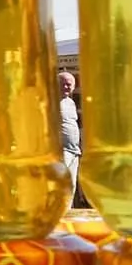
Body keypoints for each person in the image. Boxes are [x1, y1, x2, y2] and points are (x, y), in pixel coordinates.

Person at [59, 70, 84, 206]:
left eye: (69, 84)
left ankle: (67, 213)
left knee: (72, 185)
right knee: (61, 184)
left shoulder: (71, 103)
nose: (66, 87)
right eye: (63, 84)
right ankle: (58, 214)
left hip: (74, 151)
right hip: (60, 150)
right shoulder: (50, 102)